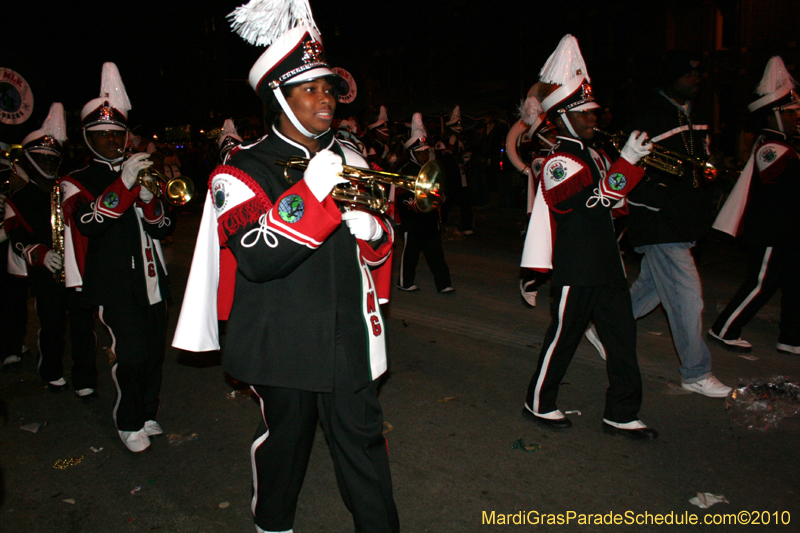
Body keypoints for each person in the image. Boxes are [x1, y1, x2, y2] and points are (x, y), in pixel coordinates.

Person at [172, 2, 399, 531]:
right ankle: (273, 524)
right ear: (280, 97)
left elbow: (377, 246)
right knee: (285, 450)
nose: (327, 100)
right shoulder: (240, 169)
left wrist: (376, 235)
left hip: (346, 333)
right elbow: (254, 254)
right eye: (311, 90)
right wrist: (314, 192)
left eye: (330, 90)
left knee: (365, 449)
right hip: (283, 339)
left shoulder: (348, 157)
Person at [521, 35, 657, 440]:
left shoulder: (594, 154)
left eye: (593, 111)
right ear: (562, 117)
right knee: (563, 338)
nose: (593, 118)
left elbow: (614, 206)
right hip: (576, 266)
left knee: (623, 340)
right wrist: (627, 165)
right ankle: (539, 401)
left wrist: (626, 166)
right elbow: (589, 206)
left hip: (606, 264)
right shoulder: (557, 161)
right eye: (584, 112)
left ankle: (621, 412)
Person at [61, 63, 175, 452]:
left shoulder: (141, 168)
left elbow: (162, 228)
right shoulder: (74, 180)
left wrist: (148, 200)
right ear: (88, 138)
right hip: (113, 282)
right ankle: (127, 420)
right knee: (129, 355)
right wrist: (125, 185)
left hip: (152, 278)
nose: (112, 141)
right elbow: (91, 221)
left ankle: (147, 411)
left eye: (117, 133)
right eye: (103, 135)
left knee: (153, 354)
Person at [624, 50, 732, 398]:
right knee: (687, 297)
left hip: (684, 220)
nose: (696, 79)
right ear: (671, 78)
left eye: (699, 74)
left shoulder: (697, 114)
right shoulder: (649, 115)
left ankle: (604, 323)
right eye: (689, 74)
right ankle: (695, 372)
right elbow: (632, 171)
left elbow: (699, 162)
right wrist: (667, 202)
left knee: (650, 289)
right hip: (659, 221)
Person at [3, 104, 98, 396]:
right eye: (42, 158)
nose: (48, 163)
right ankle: (51, 369)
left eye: (52, 158)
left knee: (83, 325)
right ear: (30, 160)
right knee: (51, 323)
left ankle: (85, 378)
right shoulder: (18, 197)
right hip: (46, 270)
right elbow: (15, 232)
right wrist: (39, 252)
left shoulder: (68, 186)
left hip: (76, 267)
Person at [710, 56, 800, 355]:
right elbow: (787, 182)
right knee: (761, 284)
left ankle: (791, 337)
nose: (795, 118)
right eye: (790, 113)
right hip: (772, 232)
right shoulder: (771, 148)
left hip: (788, 232)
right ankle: (724, 328)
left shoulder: (788, 146)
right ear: (775, 114)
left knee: (794, 286)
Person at [396, 112, 454, 294]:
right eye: (420, 153)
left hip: (429, 220)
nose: (423, 156)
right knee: (410, 255)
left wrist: (440, 197)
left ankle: (443, 284)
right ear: (412, 153)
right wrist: (414, 203)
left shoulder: (429, 169)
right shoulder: (405, 170)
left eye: (425, 152)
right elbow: (400, 196)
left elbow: (437, 188)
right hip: (412, 220)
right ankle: (405, 283)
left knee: (436, 254)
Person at [1, 147, 30, 371]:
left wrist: (21, 188)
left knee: (13, 297)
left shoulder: (14, 170)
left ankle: (13, 345)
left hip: (7, 242)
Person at [436, 105, 474, 234]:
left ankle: (468, 227)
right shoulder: (443, 141)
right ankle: (441, 224)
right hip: (449, 177)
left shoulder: (462, 140)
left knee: (465, 201)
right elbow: (441, 159)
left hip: (461, 175)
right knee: (446, 201)